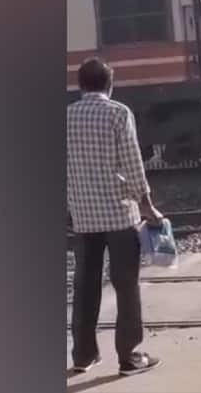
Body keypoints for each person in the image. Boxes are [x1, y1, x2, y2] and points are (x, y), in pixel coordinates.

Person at [67, 58, 163, 377]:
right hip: (120, 215)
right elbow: (133, 163)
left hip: (83, 217)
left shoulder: (65, 116)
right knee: (126, 285)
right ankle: (129, 357)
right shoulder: (118, 112)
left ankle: (82, 355)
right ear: (110, 84)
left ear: (80, 85)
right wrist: (147, 205)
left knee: (85, 285)